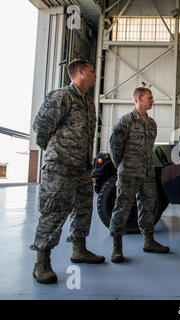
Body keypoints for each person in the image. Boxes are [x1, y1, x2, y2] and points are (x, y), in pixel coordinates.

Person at [31, 59, 105, 284]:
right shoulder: (62, 96)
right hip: (60, 167)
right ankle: (41, 263)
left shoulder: (87, 102)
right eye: (92, 71)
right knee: (54, 212)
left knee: (83, 210)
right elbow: (41, 127)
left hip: (82, 167)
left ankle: (79, 249)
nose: (95, 75)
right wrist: (56, 152)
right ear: (81, 72)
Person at [109, 87, 169, 263]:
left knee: (148, 207)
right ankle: (117, 247)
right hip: (128, 172)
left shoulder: (151, 124)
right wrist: (122, 166)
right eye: (149, 98)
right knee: (122, 208)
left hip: (147, 173)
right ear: (139, 99)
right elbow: (115, 148)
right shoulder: (125, 121)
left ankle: (148, 241)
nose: (152, 101)